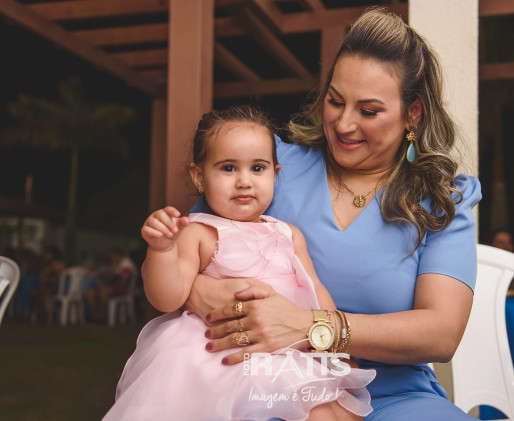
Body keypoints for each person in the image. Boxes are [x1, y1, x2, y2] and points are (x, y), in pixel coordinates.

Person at [188, 8, 481, 420]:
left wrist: (311, 327)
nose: (343, 124)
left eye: (369, 111)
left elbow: (441, 333)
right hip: (273, 385)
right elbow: (185, 255)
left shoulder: (441, 199)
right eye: (336, 101)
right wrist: (204, 295)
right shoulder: (267, 167)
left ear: (412, 112)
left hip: (394, 397)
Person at [103, 105, 375, 421]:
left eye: (257, 168)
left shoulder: (288, 234)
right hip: (225, 357)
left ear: (275, 174)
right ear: (199, 177)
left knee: (337, 415)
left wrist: (333, 348)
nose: (244, 181)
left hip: (288, 349)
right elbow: (167, 298)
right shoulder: (200, 232)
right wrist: (162, 250)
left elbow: (315, 290)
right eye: (229, 168)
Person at [84, 246, 137, 321]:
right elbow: (108, 274)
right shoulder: (117, 263)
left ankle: (102, 316)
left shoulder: (126, 264)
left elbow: (123, 282)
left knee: (103, 291)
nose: (111, 258)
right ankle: (96, 314)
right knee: (89, 293)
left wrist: (108, 285)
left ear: (116, 255)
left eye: (112, 256)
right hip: (112, 285)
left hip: (123, 289)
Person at [30, 245, 65, 323]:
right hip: (46, 287)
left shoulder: (58, 265)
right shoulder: (47, 265)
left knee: (42, 294)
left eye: (49, 254)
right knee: (35, 293)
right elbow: (42, 277)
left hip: (56, 289)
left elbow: (58, 278)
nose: (47, 255)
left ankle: (45, 314)